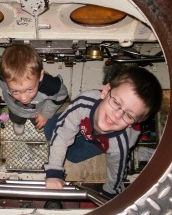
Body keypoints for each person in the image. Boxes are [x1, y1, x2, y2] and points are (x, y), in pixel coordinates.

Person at [43, 66, 162, 198]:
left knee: (73, 156)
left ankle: (136, 150)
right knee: (51, 128)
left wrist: (110, 192)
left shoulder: (119, 144)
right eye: (117, 102)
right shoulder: (84, 103)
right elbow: (63, 132)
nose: (116, 115)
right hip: (85, 123)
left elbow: (116, 170)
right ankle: (75, 125)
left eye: (129, 116)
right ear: (106, 91)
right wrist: (54, 170)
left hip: (101, 142)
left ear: (134, 123)